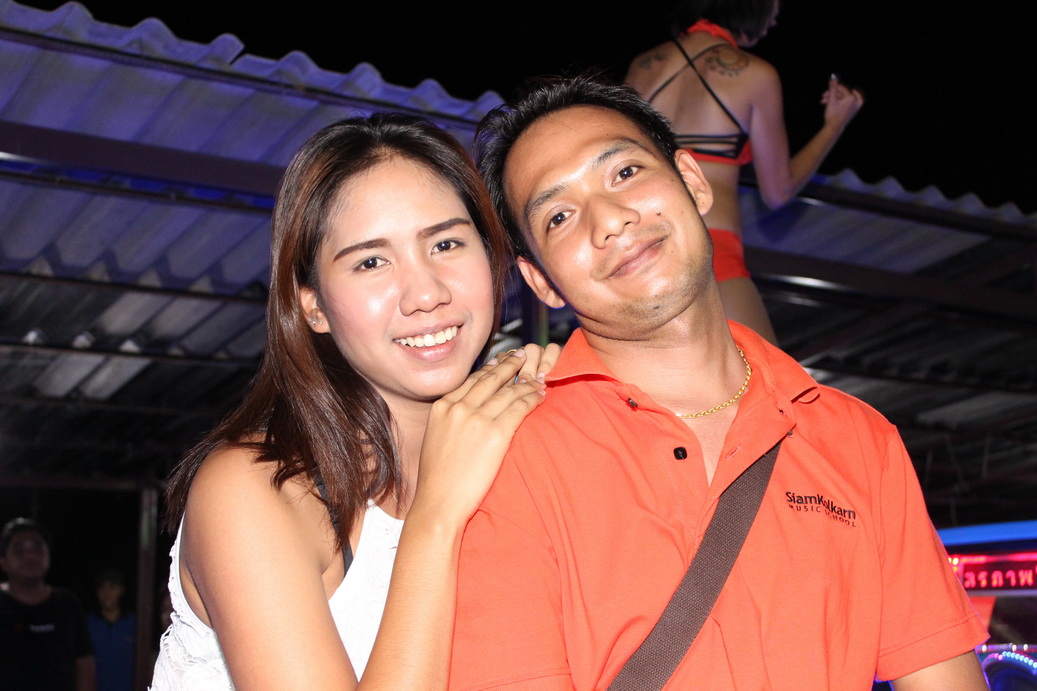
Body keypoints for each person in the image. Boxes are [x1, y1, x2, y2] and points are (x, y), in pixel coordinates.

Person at [448, 76, 987, 689]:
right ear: (541, 281)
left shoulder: (859, 441)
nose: (611, 220)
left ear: (694, 181)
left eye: (624, 172)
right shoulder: (507, 457)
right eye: (560, 215)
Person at [151, 114, 558, 689]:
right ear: (313, 306)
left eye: (445, 243)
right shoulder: (256, 489)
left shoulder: (512, 440)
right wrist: (436, 515)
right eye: (371, 262)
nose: (426, 294)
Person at [625, 0, 864, 344]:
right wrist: (834, 125)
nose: (775, 18)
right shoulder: (756, 74)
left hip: (643, 242)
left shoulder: (644, 66)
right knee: (764, 372)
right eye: (774, 7)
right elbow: (778, 191)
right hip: (710, 242)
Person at [0, 517, 96, 691]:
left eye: (37, 549)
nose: (30, 556)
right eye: (19, 550)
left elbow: (84, 664)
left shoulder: (67, 603)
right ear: (3, 561)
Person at [87, 569, 135, 691]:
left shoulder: (135, 624)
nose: (106, 593)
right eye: (102, 588)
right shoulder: (87, 624)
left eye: (112, 588)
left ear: (121, 590)